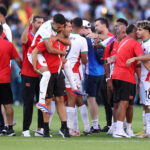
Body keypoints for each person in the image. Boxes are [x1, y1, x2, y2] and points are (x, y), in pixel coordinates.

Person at [32, 21, 72, 138]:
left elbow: (66, 45)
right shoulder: (48, 39)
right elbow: (35, 51)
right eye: (68, 27)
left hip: (59, 73)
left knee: (60, 100)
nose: (70, 29)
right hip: (48, 73)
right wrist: (35, 67)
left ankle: (64, 128)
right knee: (48, 101)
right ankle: (45, 129)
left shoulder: (64, 41)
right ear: (61, 29)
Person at [111, 23, 146, 138]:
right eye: (138, 30)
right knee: (124, 103)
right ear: (133, 31)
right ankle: (119, 130)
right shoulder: (135, 43)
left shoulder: (123, 41)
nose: (139, 32)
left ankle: (118, 128)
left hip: (117, 75)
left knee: (122, 103)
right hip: (126, 76)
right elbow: (142, 58)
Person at [65, 17, 91, 136]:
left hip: (62, 71)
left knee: (74, 99)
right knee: (73, 99)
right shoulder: (82, 40)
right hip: (74, 73)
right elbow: (85, 60)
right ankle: (72, 128)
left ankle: (80, 128)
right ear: (81, 28)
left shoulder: (64, 36)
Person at [21, 15, 45, 137]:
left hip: (41, 74)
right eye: (38, 22)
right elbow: (23, 41)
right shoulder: (29, 35)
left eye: (42, 22)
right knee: (28, 103)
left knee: (41, 102)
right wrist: (27, 25)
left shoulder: (43, 38)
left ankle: (40, 129)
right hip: (28, 74)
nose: (41, 24)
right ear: (33, 24)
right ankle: (25, 129)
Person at [126, 20, 150, 138]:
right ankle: (146, 130)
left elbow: (147, 57)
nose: (137, 32)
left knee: (149, 105)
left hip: (149, 79)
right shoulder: (141, 43)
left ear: (147, 31)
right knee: (146, 105)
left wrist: (135, 58)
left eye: (140, 29)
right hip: (144, 79)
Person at [103, 24, 127, 135]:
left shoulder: (128, 44)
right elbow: (106, 62)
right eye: (123, 32)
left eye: (126, 32)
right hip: (113, 76)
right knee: (112, 100)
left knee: (125, 100)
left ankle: (122, 125)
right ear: (117, 34)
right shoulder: (111, 45)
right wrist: (108, 79)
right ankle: (114, 124)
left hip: (126, 76)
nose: (125, 34)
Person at [0, 24, 22, 136]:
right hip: (4, 79)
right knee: (7, 105)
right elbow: (18, 59)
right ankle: (10, 128)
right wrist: (22, 69)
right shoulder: (8, 45)